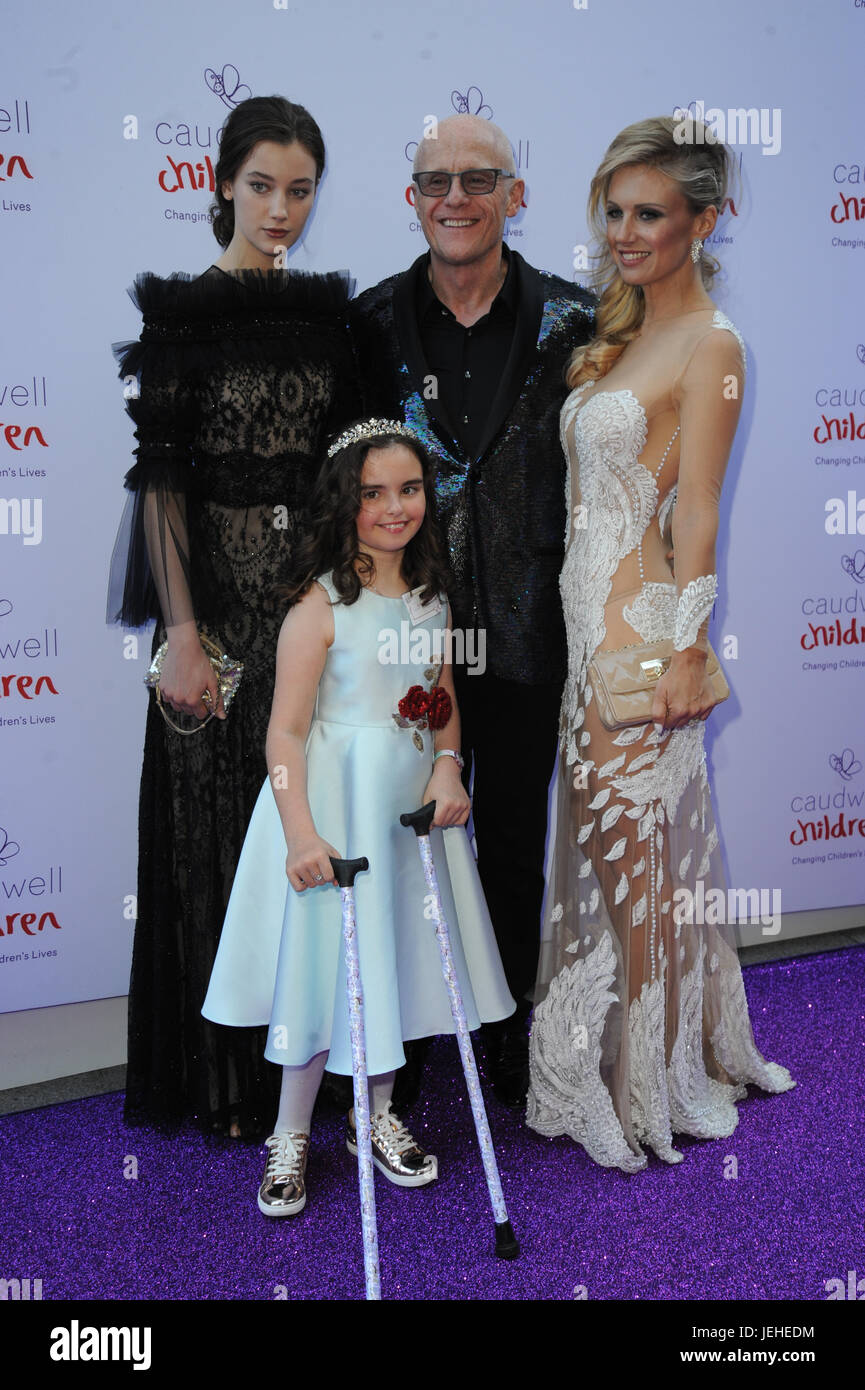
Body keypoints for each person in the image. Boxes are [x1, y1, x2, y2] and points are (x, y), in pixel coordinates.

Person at [527, 116, 795, 1172]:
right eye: (615, 212)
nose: (624, 232)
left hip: (635, 637)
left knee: (631, 864)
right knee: (627, 860)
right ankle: (643, 1060)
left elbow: (697, 514)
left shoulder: (713, 345)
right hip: (580, 625)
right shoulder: (621, 336)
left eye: (649, 213)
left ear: (703, 221)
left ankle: (643, 1087)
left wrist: (686, 650)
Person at [108, 95, 357, 1138]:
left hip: (309, 603)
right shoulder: (180, 317)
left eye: (299, 189)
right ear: (219, 182)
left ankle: (313, 1070)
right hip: (212, 605)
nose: (280, 209)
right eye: (262, 185)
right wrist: (181, 634)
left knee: (305, 824)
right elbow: (160, 484)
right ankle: (226, 1083)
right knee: (212, 829)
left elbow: (356, 469)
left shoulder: (332, 318)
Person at [201, 420, 513, 1213]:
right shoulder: (319, 604)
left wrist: (447, 763)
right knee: (319, 970)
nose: (393, 507)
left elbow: (441, 706)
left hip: (402, 818)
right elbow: (284, 732)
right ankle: (291, 1132)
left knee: (388, 962)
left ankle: (374, 1116)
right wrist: (300, 832)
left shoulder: (434, 600)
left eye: (408, 489)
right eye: (372, 492)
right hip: (331, 813)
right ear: (344, 500)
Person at [349, 114, 595, 1106]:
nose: (455, 197)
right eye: (434, 181)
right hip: (406, 635)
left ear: (514, 194)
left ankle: (502, 1029)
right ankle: (393, 1040)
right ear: (410, 199)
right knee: (401, 827)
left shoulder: (576, 323)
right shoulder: (364, 326)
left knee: (506, 838)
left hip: (535, 628)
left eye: (478, 179)